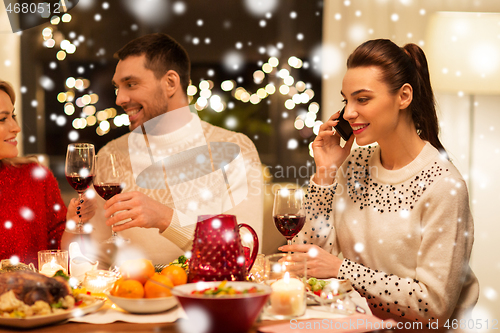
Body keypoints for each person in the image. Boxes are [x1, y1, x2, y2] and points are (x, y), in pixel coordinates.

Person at [280, 39, 479, 328]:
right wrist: (325, 174)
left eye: (362, 99)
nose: (348, 112)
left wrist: (342, 269)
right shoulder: (353, 165)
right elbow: (307, 258)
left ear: (404, 97)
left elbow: (433, 306)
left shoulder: (443, 185)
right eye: (346, 100)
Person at [70, 33, 263, 268]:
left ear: (170, 83)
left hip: (208, 297)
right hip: (129, 300)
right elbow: (96, 258)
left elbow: (244, 253)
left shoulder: (236, 149)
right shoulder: (111, 154)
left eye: (131, 84)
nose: (120, 98)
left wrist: (165, 219)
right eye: (117, 87)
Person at [0, 80, 95, 268]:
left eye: (13, 116)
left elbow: (63, 260)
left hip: (35, 296)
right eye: (2, 119)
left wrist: (73, 224)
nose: (16, 127)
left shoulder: (35, 177)